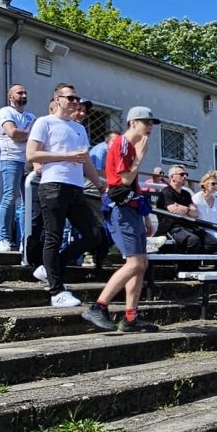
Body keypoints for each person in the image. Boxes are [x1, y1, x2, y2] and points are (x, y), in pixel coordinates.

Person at [81, 107, 161, 332]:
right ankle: (98, 306)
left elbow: (133, 185)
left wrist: (144, 215)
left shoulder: (130, 147)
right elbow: (124, 180)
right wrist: (141, 157)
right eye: (147, 122)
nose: (150, 127)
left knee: (140, 264)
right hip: (121, 209)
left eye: (151, 123)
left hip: (132, 208)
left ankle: (130, 317)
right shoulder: (123, 145)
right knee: (135, 263)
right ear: (133, 122)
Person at [26, 83, 107, 307]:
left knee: (93, 234)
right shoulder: (44, 122)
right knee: (54, 235)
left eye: (76, 98)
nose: (75, 102)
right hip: (53, 185)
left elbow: (86, 160)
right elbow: (32, 153)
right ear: (58, 99)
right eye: (70, 98)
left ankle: (52, 268)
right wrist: (66, 155)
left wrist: (99, 183)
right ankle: (56, 290)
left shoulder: (79, 128)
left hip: (75, 187)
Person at [0, 84, 35, 252]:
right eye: (19, 93)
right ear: (10, 96)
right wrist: (30, 135)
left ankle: (25, 240)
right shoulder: (5, 112)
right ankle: (3, 238)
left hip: (28, 161)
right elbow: (13, 133)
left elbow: (37, 139)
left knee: (27, 202)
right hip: (11, 159)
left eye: (25, 92)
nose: (23, 95)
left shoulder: (31, 116)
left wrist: (27, 136)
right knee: (9, 197)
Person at [157, 165, 217, 255]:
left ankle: (192, 263)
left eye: (186, 174)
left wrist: (185, 209)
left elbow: (195, 213)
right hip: (173, 227)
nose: (185, 176)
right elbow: (173, 210)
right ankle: (185, 267)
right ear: (172, 177)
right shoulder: (166, 192)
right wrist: (189, 210)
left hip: (188, 226)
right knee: (193, 240)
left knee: (214, 243)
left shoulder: (186, 193)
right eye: (182, 174)